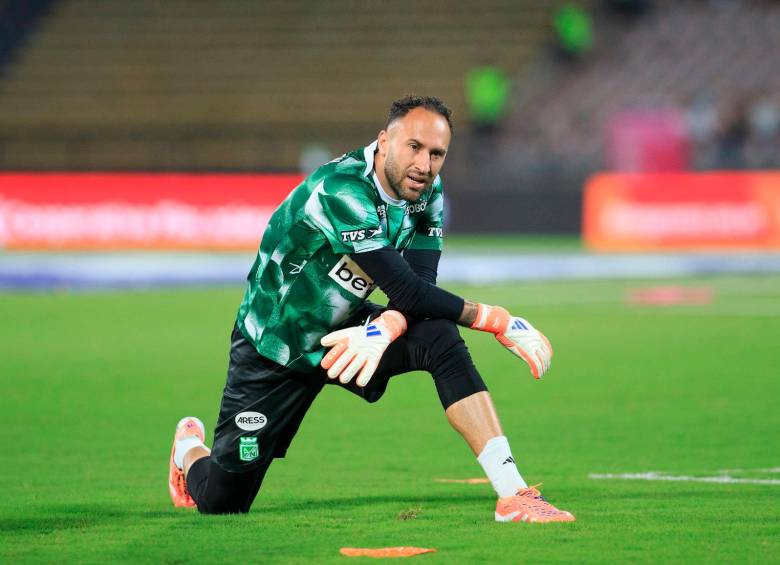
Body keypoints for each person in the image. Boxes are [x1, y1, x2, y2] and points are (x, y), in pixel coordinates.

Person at [167, 95, 575, 524]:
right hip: (275, 346)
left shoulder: (428, 194)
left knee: (439, 337)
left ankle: (513, 494)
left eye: (437, 153)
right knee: (223, 502)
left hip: (348, 332)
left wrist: (387, 325)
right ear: (384, 142)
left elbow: (419, 285)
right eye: (414, 147)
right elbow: (407, 290)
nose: (424, 165)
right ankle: (188, 449)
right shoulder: (341, 189)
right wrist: (497, 320)